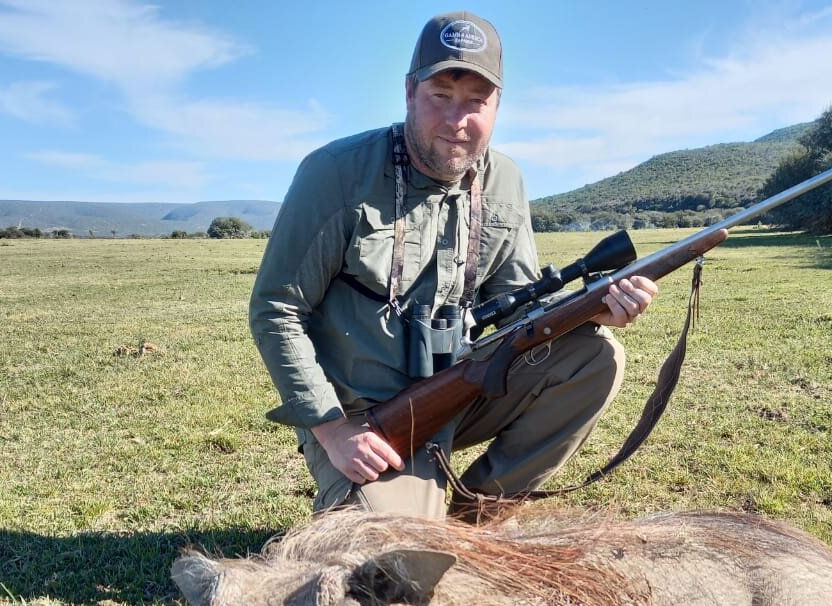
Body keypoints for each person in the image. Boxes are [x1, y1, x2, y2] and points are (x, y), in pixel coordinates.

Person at [250, 11, 658, 520]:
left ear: (497, 105)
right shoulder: (335, 172)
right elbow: (277, 309)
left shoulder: (505, 179)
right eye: (440, 97)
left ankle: (475, 516)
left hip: (466, 392)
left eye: (475, 102)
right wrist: (333, 429)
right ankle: (397, 507)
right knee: (394, 560)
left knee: (597, 357)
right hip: (367, 422)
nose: (456, 121)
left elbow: (519, 308)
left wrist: (592, 310)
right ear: (408, 93)